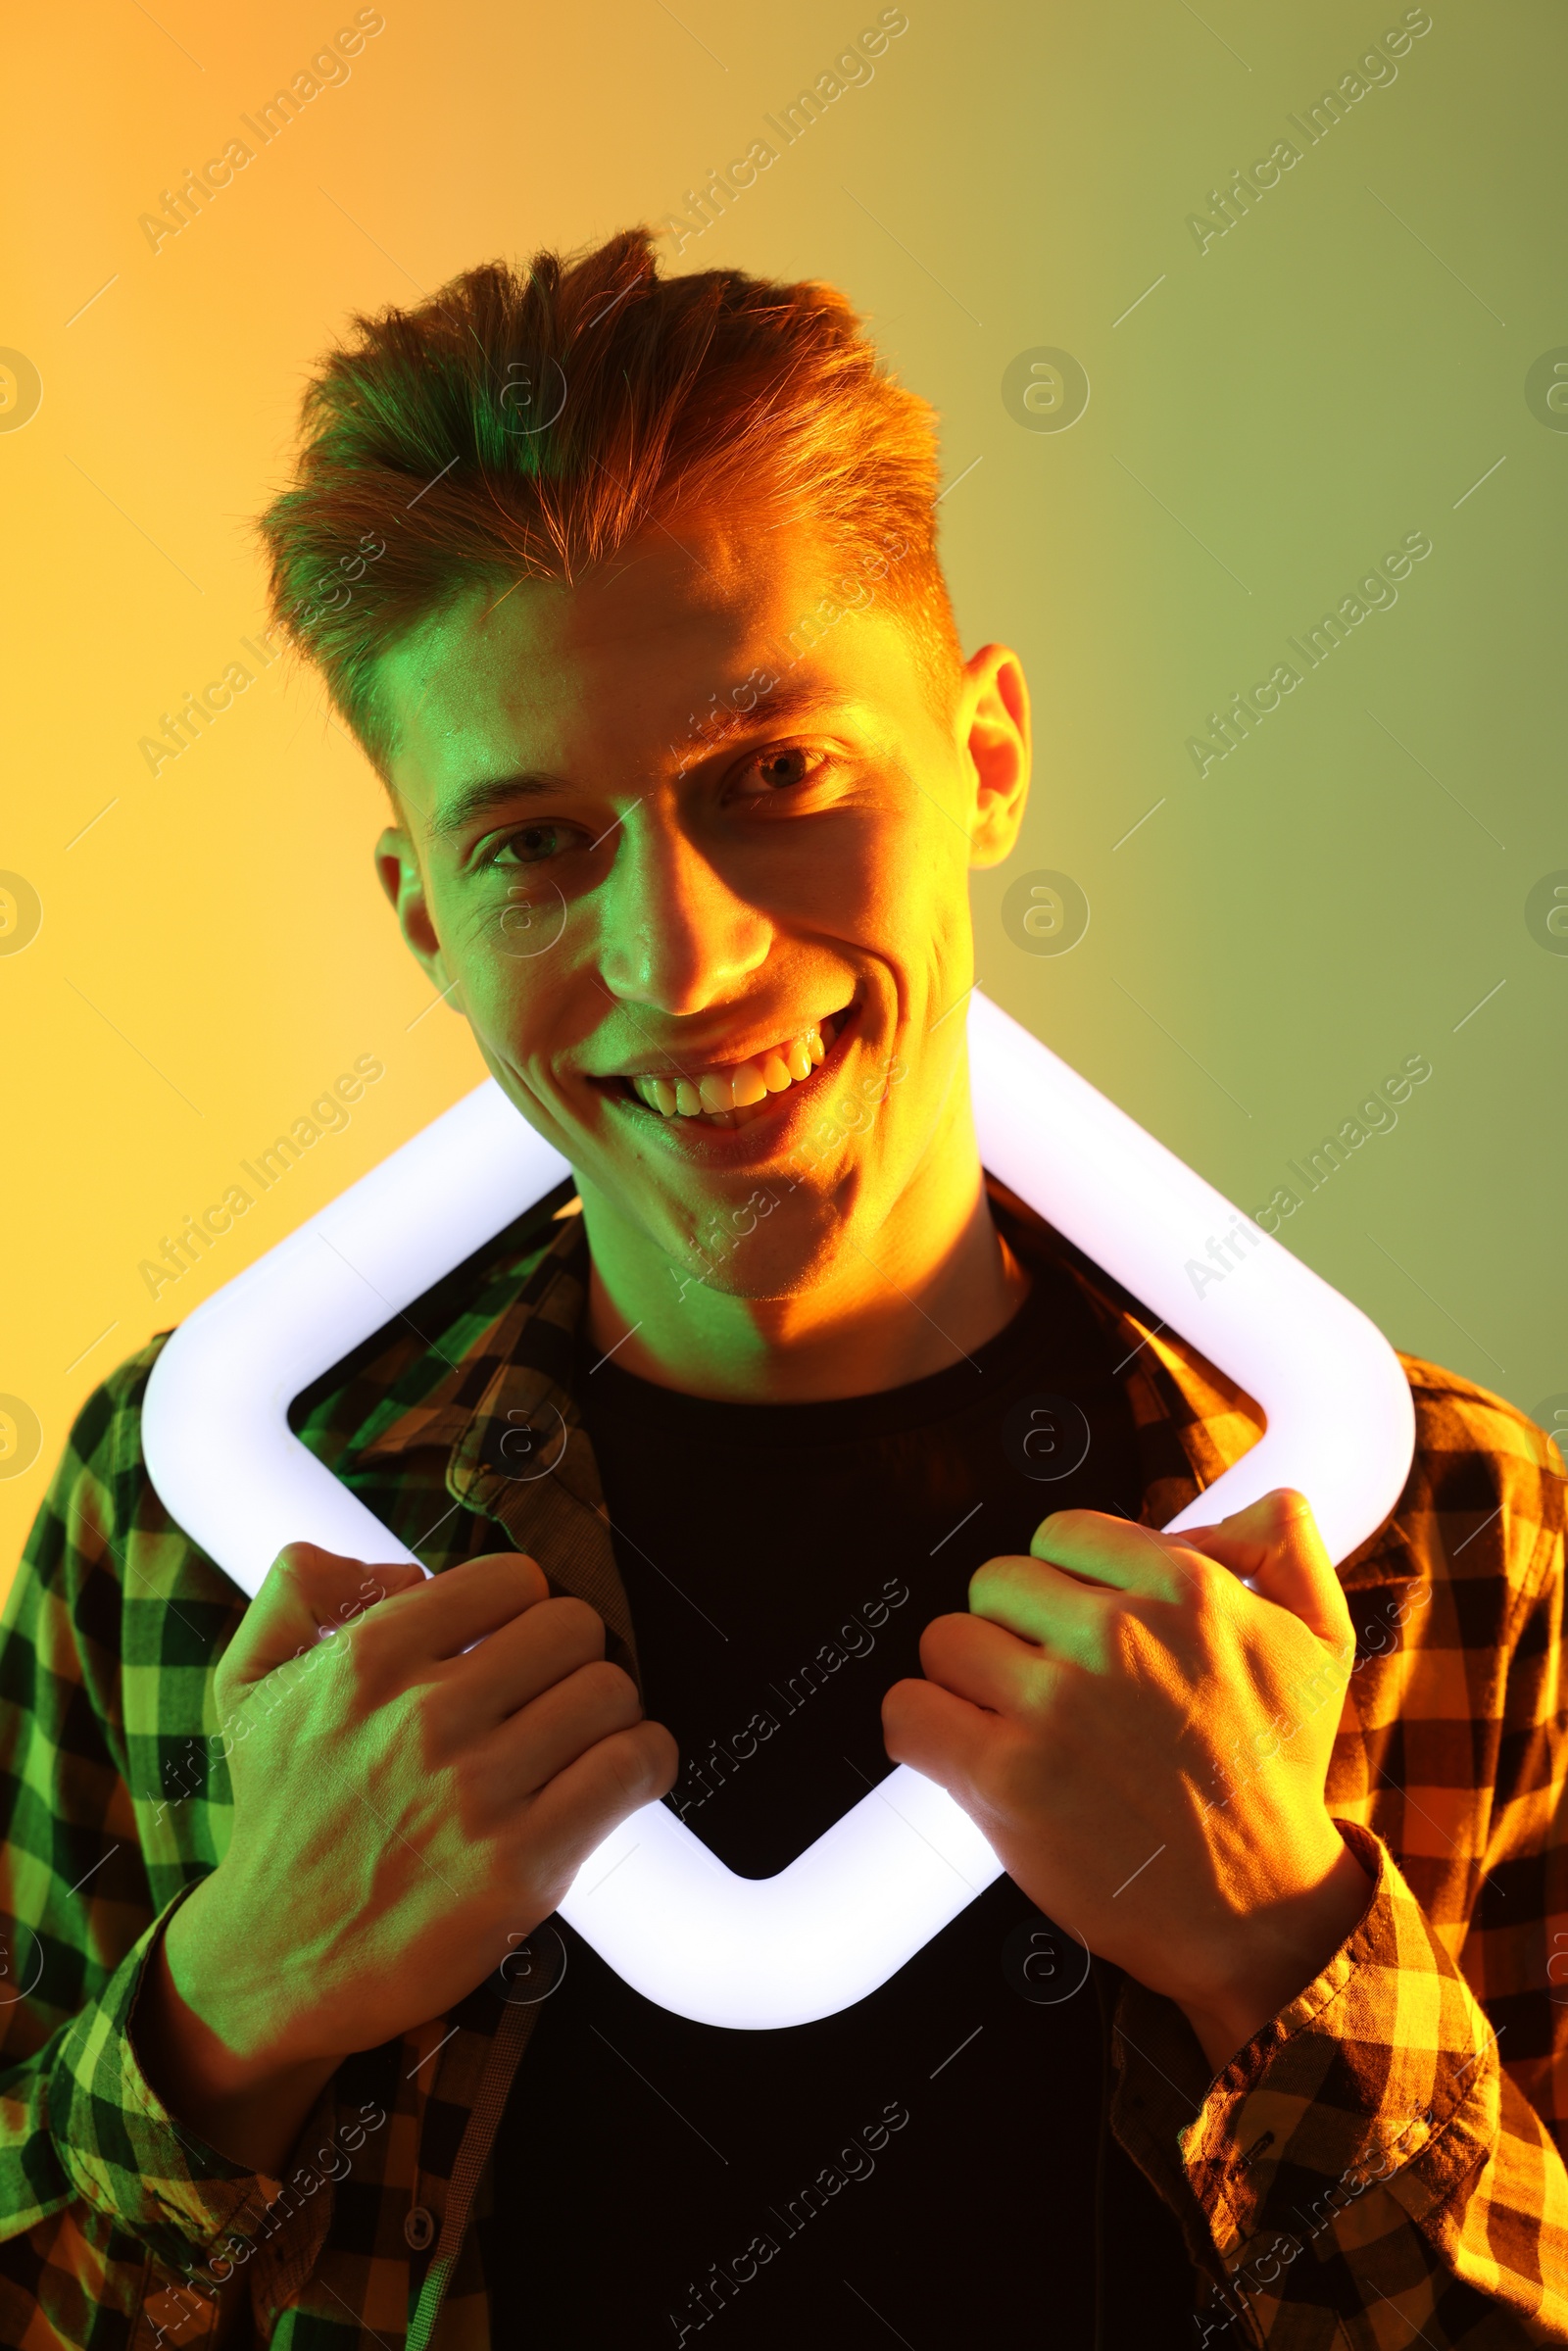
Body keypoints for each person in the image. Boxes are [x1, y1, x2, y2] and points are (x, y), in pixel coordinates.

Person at [2, 228, 1564, 2351]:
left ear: (985, 755)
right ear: (420, 915)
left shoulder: (1431, 1529)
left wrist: (1280, 1943)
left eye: (772, 777)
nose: (682, 960)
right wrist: (242, 1995)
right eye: (535, 843)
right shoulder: (202, 1522)